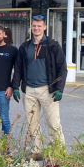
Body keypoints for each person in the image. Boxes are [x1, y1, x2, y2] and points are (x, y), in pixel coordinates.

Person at [12, 15, 67, 156]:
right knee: (32, 124)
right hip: (29, 90)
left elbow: (62, 68)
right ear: (31, 27)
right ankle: (37, 151)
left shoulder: (53, 46)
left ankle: (58, 153)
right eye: (34, 26)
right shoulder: (25, 47)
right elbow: (18, 68)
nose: (36, 28)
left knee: (53, 124)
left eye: (39, 25)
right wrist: (16, 87)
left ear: (45, 27)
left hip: (48, 90)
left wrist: (59, 89)